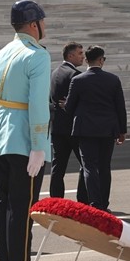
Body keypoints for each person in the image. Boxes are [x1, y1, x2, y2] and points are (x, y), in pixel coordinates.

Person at [0, 0, 58, 261]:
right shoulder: (36, 56)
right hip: (24, 143)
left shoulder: (3, 53)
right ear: (33, 25)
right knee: (21, 213)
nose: (45, 26)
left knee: (4, 211)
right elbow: (38, 104)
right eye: (43, 21)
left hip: (1, 140)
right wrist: (39, 145)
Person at [64, 46, 127, 212]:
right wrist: (122, 131)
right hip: (108, 129)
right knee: (105, 167)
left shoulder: (78, 80)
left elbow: (69, 107)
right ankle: (104, 204)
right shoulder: (113, 79)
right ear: (101, 60)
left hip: (85, 130)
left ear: (86, 60)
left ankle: (94, 204)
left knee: (89, 167)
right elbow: (120, 107)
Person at [49, 42, 86, 203]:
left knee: (58, 166)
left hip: (57, 126)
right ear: (70, 55)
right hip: (73, 128)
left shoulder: (54, 73)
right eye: (79, 53)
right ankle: (83, 200)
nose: (83, 56)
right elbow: (79, 102)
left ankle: (56, 201)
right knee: (86, 164)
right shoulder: (75, 75)